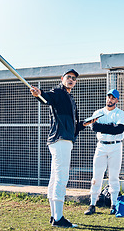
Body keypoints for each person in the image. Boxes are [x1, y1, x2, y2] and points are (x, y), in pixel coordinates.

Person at [30, 69, 95, 228]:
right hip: (60, 140)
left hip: (64, 140)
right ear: (62, 79)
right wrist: (39, 94)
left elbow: (72, 127)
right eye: (69, 77)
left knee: (55, 178)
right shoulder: (58, 92)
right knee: (61, 177)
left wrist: (83, 124)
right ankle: (58, 218)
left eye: (74, 78)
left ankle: (54, 216)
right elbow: (47, 98)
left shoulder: (69, 97)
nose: (71, 80)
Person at [84, 89, 124, 216]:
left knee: (113, 177)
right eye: (109, 97)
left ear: (117, 100)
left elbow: (119, 129)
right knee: (96, 177)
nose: (110, 100)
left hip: (115, 146)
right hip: (101, 146)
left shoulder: (121, 113)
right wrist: (110, 127)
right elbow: (94, 127)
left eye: (113, 98)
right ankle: (92, 204)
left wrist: (104, 127)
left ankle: (114, 205)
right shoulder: (99, 112)